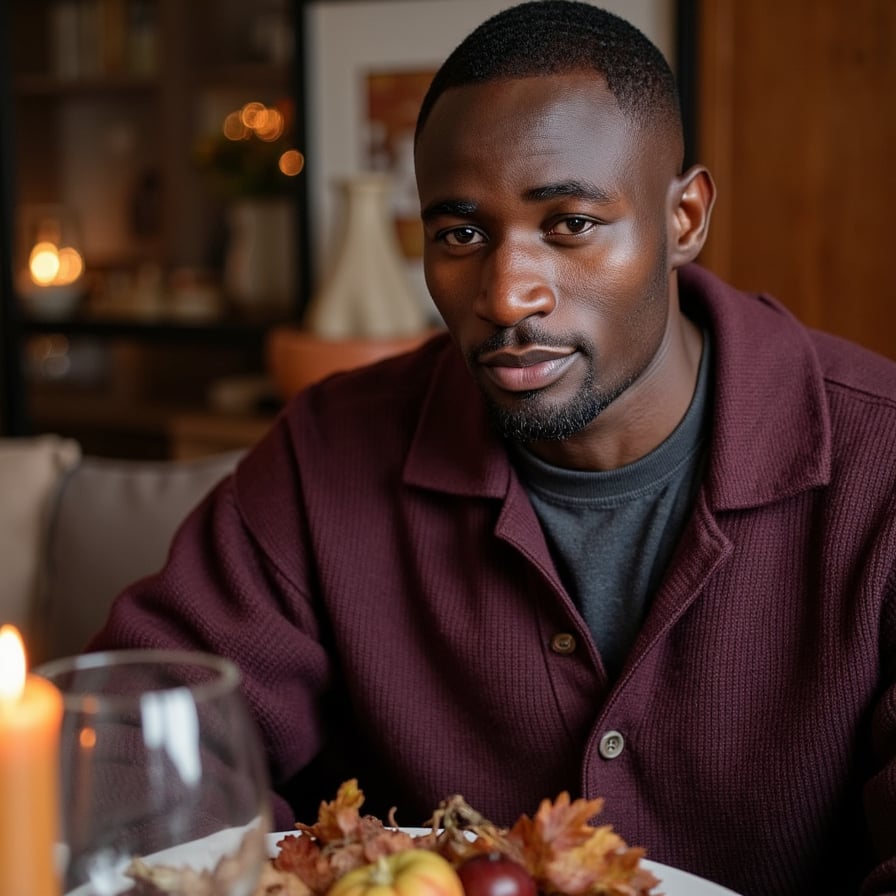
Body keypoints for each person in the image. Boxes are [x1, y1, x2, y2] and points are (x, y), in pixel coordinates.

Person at [88, 2, 896, 894]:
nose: (508, 295)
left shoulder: (883, 464)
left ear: (685, 218)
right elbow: (136, 749)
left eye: (571, 224)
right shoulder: (326, 454)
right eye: (460, 234)